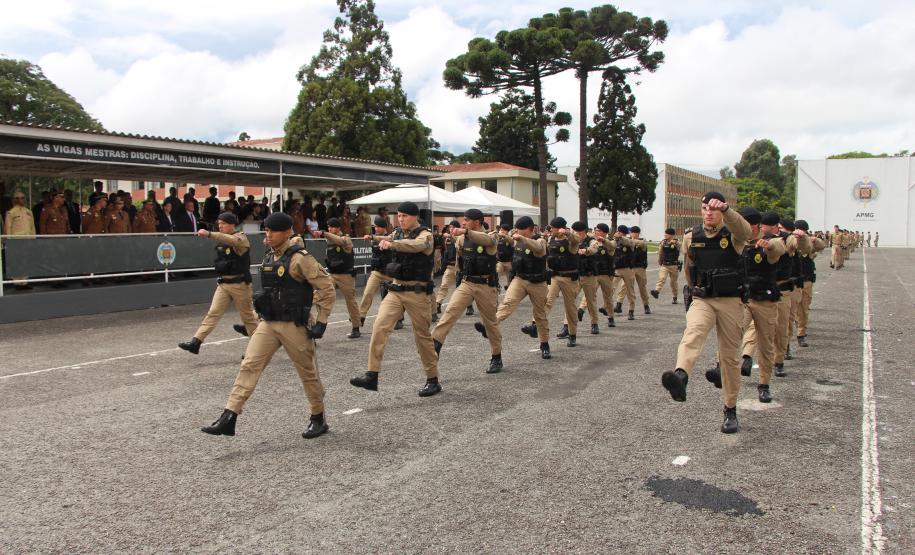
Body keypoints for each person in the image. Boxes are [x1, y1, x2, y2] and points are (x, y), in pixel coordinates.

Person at [200, 212, 334, 439]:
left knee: (307, 373)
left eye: (273, 231)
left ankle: (318, 417)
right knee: (249, 365)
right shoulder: (270, 256)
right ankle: (229, 416)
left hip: (294, 325)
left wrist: (321, 321)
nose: (268, 235)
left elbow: (326, 288)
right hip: (269, 323)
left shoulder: (301, 258)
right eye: (267, 230)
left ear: (287, 232)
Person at [661, 192, 752, 434]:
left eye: (713, 208)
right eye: (705, 208)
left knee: (731, 357)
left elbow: (747, 233)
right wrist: (691, 294)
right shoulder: (691, 236)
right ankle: (681, 376)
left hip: (730, 300)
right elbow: (690, 267)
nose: (709, 212)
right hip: (704, 298)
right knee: (693, 331)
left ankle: (730, 408)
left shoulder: (732, 234)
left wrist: (728, 210)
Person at [350, 201, 441, 397]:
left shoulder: (425, 235)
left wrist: (392, 243)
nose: (401, 219)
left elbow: (417, 246)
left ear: (414, 216)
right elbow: (387, 237)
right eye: (398, 216)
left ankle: (432, 379)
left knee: (422, 337)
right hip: (396, 290)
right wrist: (375, 238)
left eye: (405, 216)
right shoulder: (398, 232)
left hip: (418, 294)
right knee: (379, 327)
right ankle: (371, 375)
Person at [706, 207, 785, 403]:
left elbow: (779, 247)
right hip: (743, 300)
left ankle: (764, 384)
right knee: (731, 333)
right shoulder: (736, 240)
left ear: (757, 226)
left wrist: (769, 246)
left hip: (765, 301)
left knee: (766, 346)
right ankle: (719, 367)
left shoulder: (770, 241)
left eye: (747, 225)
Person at [179, 212, 260, 355]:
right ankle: (196, 341)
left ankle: (256, 350)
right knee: (213, 313)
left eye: (223, 223)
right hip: (224, 283)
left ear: (232, 225)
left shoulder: (241, 238)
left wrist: (209, 233)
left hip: (240, 284)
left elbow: (231, 240)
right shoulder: (223, 240)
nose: (220, 226)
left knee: (248, 318)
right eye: (219, 223)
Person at [434, 208, 503, 374]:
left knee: (490, 323)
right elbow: (460, 259)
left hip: (486, 285)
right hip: (467, 283)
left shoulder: (492, 235)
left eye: (467, 220)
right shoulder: (461, 239)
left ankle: (496, 356)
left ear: (477, 222)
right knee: (449, 313)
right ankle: (434, 346)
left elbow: (487, 240)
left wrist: (465, 231)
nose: (463, 222)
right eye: (463, 220)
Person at [492, 216, 552, 359]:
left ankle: (544, 344)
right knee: (507, 303)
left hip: (538, 283)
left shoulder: (540, 240)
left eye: (521, 229)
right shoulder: (517, 240)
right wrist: (503, 236)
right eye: (517, 228)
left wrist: (521, 238)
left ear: (530, 229)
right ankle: (490, 325)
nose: (518, 231)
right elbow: (511, 241)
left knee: (540, 315)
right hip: (520, 279)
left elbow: (538, 248)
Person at [312, 217, 361, 339]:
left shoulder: (346, 239)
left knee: (351, 301)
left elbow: (339, 241)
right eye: (328, 227)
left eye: (332, 227)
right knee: (319, 295)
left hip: (346, 276)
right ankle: (317, 325)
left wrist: (324, 233)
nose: (330, 229)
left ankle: (356, 327)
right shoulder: (329, 241)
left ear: (338, 228)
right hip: (333, 275)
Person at [545, 217, 581, 347]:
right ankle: (535, 326)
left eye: (553, 228)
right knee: (547, 301)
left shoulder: (570, 241)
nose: (550, 230)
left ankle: (572, 334)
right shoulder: (551, 239)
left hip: (569, 278)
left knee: (570, 307)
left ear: (559, 228)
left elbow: (577, 240)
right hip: (555, 277)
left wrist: (567, 233)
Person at [359, 216, 400, 329]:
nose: (375, 229)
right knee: (368, 292)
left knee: (395, 297)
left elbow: (389, 242)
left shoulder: (391, 237)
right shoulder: (375, 239)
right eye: (375, 227)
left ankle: (398, 318)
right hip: (377, 272)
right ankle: (361, 317)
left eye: (377, 227)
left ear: (383, 227)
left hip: (390, 274)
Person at [794, 220, 826, 347]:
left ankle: (801, 333)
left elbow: (821, 246)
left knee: (803, 307)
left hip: (806, 279)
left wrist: (814, 240)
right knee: (792, 309)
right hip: (793, 280)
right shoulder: (790, 240)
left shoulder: (810, 241)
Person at [584, 223, 618, 328]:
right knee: (590, 297)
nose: (595, 232)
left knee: (607, 297)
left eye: (598, 230)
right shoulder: (592, 242)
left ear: (603, 232)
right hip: (594, 273)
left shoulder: (610, 241)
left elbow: (611, 246)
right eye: (595, 230)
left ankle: (611, 317)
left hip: (606, 274)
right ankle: (590, 319)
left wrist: (603, 240)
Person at [433, 220, 460, 321]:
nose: (450, 229)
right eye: (450, 227)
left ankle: (469, 306)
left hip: (460, 267)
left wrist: (449, 236)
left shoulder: (460, 238)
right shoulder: (447, 239)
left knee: (461, 288)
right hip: (450, 266)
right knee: (444, 285)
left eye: (453, 227)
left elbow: (457, 240)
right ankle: (438, 304)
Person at [612, 225, 638, 321]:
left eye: (619, 232)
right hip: (617, 268)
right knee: (611, 288)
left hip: (628, 269)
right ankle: (608, 308)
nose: (618, 233)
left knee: (630, 291)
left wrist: (620, 237)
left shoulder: (630, 241)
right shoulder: (615, 242)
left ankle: (631, 311)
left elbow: (627, 242)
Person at [651, 228, 680, 303]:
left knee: (673, 282)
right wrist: (659, 260)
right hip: (665, 264)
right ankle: (656, 291)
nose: (665, 235)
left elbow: (679, 246)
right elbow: (661, 252)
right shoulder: (663, 242)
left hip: (674, 265)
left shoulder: (676, 242)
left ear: (671, 235)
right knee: (662, 278)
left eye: (666, 234)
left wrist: (674, 243)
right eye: (665, 233)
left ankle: (675, 296)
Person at [628, 225, 652, 314]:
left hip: (640, 267)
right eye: (631, 232)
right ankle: (621, 305)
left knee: (642, 287)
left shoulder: (642, 241)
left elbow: (642, 244)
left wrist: (631, 240)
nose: (633, 234)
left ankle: (646, 305)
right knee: (627, 288)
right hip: (630, 267)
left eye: (635, 233)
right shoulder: (628, 241)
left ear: (638, 233)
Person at [495, 223, 514, 290]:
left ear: (507, 231)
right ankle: (496, 286)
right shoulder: (498, 238)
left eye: (504, 230)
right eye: (501, 230)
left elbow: (512, 242)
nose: (502, 231)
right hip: (500, 261)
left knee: (509, 278)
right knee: (496, 273)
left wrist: (504, 235)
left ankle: (509, 288)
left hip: (509, 262)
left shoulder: (510, 238)